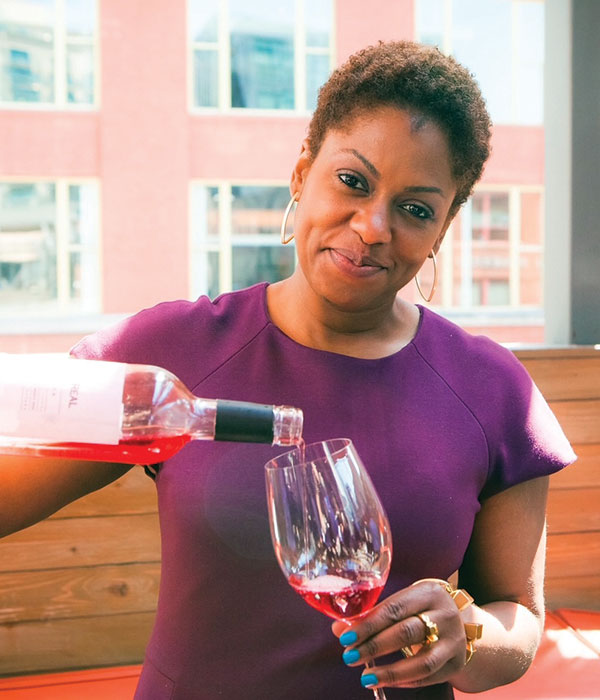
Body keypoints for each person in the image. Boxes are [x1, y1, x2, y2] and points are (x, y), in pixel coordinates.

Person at [0, 41, 575, 699]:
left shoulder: (492, 388)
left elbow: (520, 622)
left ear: (442, 229)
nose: (372, 226)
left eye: (416, 209)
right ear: (302, 175)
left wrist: (467, 634)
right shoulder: (173, 349)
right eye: (352, 181)